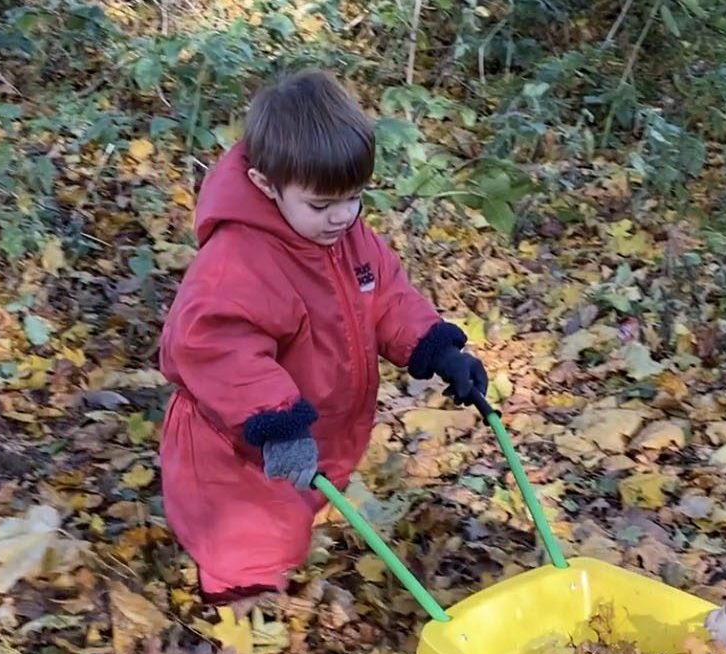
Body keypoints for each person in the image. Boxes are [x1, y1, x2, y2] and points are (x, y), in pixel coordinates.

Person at [158, 70, 488, 606]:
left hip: (310, 433)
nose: (343, 216)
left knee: (290, 517)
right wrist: (277, 422)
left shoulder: (344, 234)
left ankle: (259, 585)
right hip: (239, 448)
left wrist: (437, 348)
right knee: (249, 544)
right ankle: (237, 616)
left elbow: (384, 295)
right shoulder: (239, 262)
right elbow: (215, 347)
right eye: (321, 204)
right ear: (267, 185)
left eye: (354, 197)